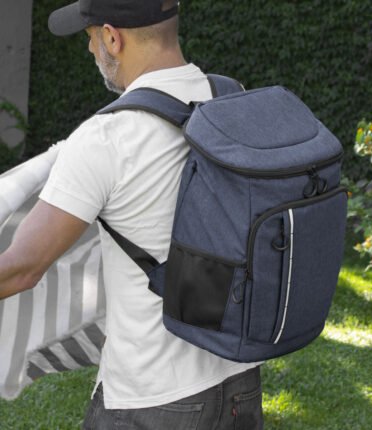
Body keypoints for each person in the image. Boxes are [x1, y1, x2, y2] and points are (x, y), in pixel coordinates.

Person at [0, 0, 263, 428]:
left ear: (111, 37)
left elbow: (21, 269)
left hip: (151, 398)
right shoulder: (232, 98)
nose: (91, 49)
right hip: (240, 383)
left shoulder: (108, 137)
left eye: (90, 38)